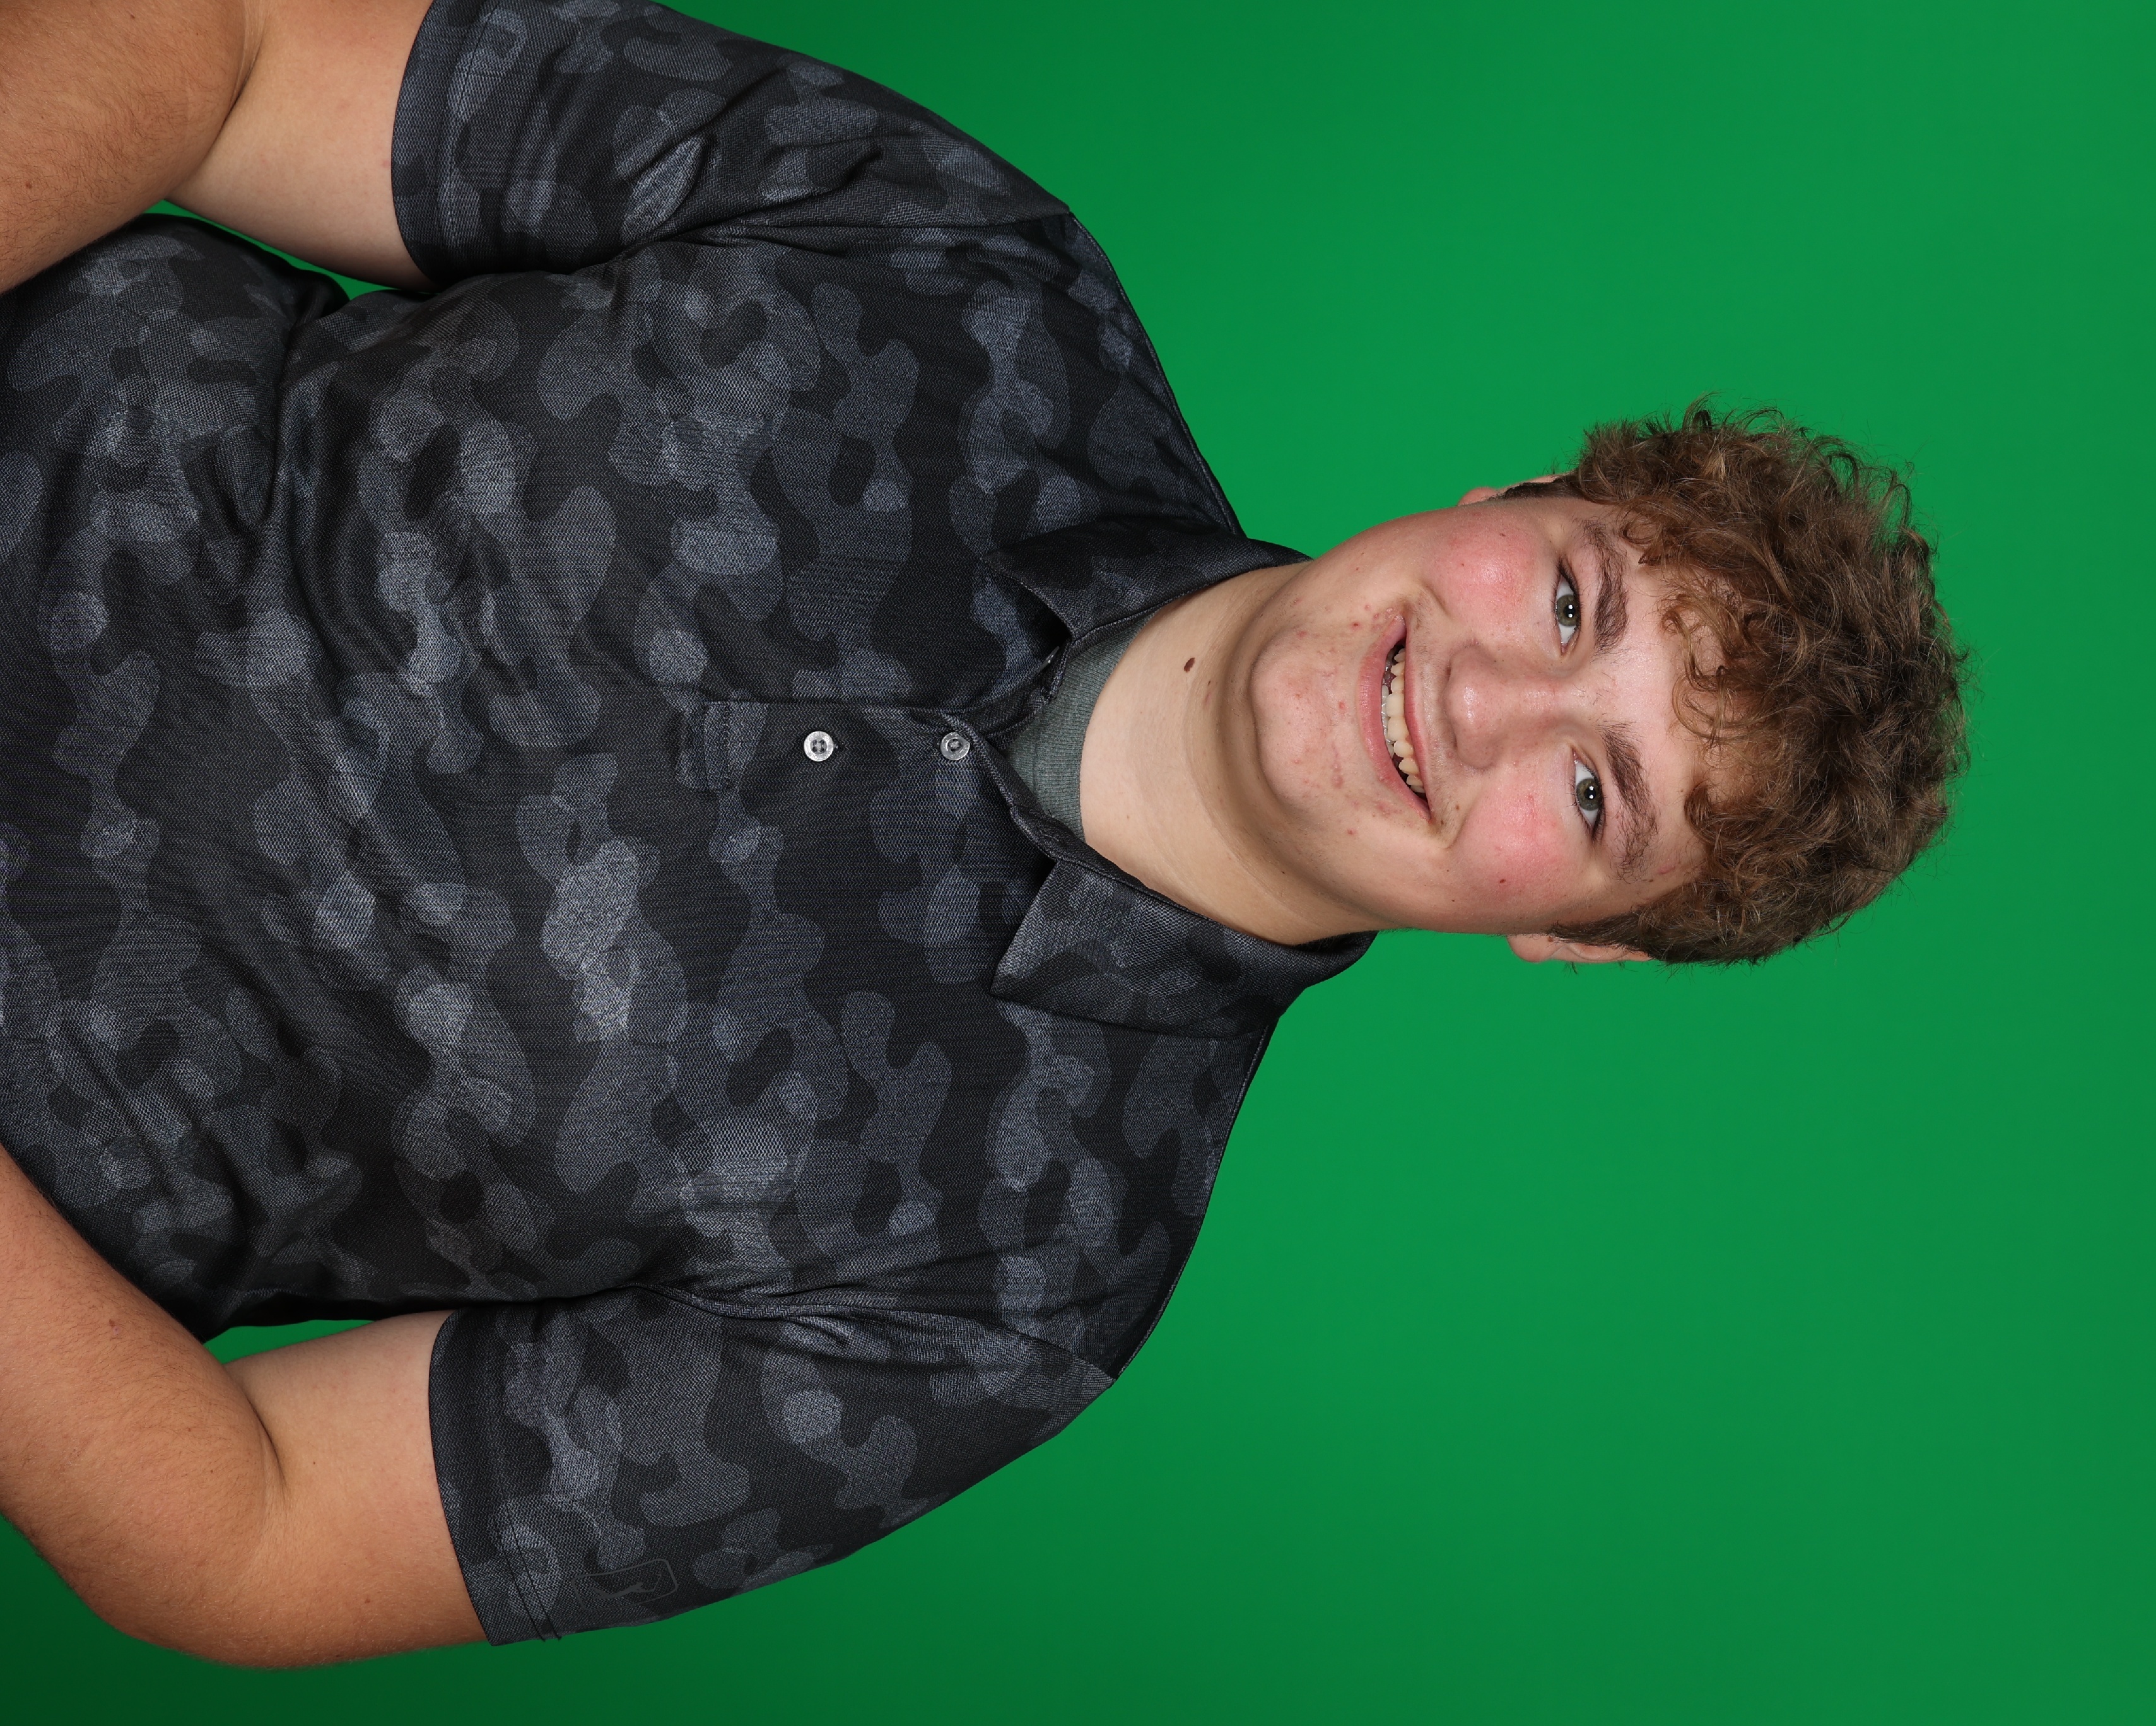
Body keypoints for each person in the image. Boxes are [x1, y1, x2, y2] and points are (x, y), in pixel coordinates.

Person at [0, 0, 1965, 1668]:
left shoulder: (1015, 1292)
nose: (1488, 702)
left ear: (1580, 937)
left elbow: (253, 1536)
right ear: (1507, 500)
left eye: (1598, 791)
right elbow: (230, 48)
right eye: (1571, 603)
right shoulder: (963, 264)